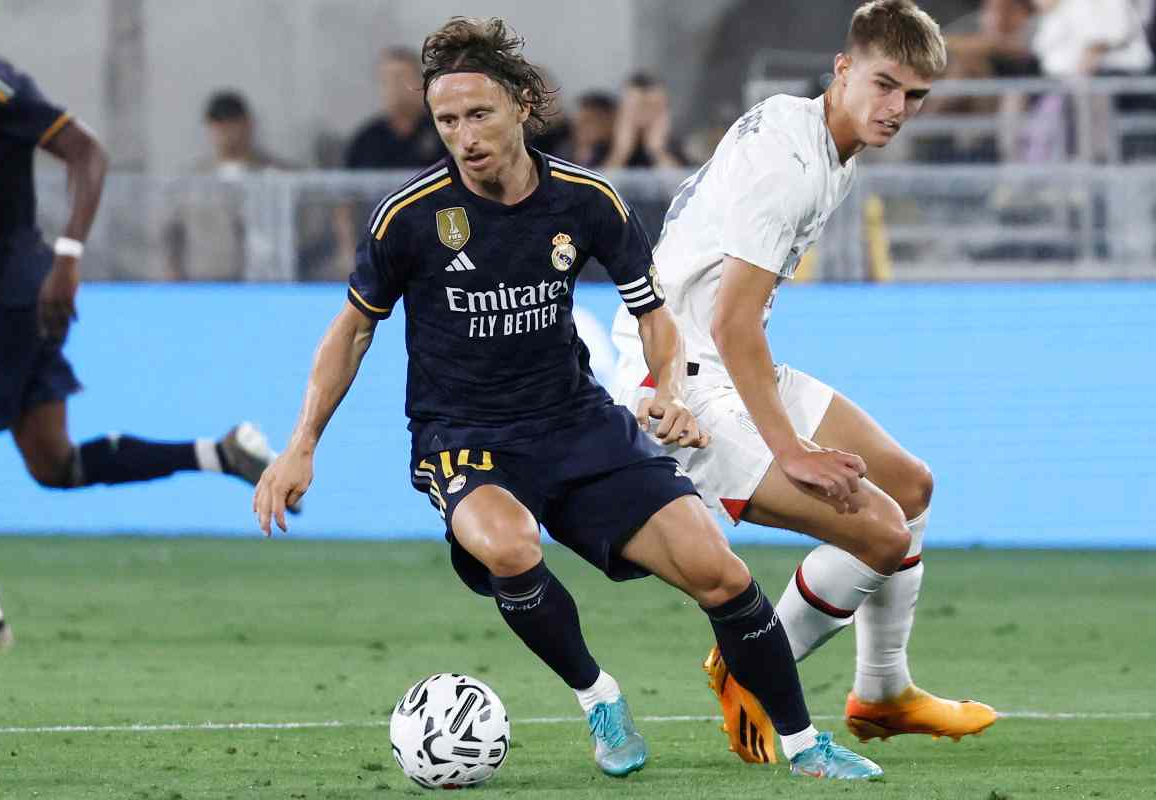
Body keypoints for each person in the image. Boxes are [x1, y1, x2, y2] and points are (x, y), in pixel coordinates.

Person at [254, 16, 882, 781]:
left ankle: (803, 744)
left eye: (478, 114)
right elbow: (350, 333)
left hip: (577, 423)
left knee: (718, 571)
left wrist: (668, 392)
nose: (463, 136)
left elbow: (654, 313)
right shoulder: (410, 217)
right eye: (446, 121)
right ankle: (598, 698)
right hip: (464, 434)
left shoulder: (586, 202)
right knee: (511, 545)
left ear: (521, 103)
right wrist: (301, 444)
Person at [610, 0, 998, 764]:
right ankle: (754, 662)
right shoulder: (788, 165)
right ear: (844, 69)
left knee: (909, 487)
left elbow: (737, 320)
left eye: (915, 96)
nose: (898, 109)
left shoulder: (823, 140)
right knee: (882, 533)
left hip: (727, 356)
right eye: (885, 85)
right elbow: (730, 322)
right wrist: (791, 450)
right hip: (681, 378)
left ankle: (883, 694)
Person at [0, 1, 285, 651]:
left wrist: (71, 255)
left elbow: (87, 153)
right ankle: (219, 452)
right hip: (2, 292)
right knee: (54, 464)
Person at [163, 90, 296, 281]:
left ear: (248, 123)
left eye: (231, 122)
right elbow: (170, 235)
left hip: (264, 283)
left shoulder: (276, 174)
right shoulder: (191, 179)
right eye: (218, 124)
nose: (225, 131)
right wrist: (172, 275)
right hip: (204, 282)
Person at [604, 73, 689, 168]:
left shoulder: (680, 146)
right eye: (638, 108)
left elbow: (681, 181)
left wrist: (656, 150)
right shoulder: (603, 143)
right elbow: (597, 181)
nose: (646, 116)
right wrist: (622, 150)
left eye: (655, 108)